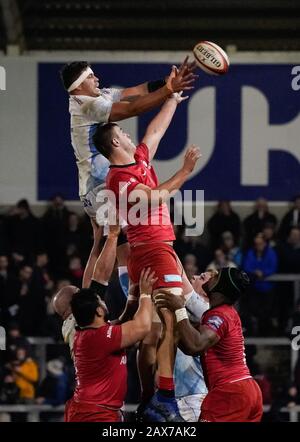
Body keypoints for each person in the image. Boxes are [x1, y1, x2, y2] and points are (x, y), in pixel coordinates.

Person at [93, 92, 203, 421]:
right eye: (123, 133)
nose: (130, 135)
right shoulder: (119, 180)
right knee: (171, 321)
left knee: (153, 333)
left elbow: (155, 132)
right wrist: (184, 171)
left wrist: (172, 97)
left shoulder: (137, 161)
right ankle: (165, 397)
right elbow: (155, 197)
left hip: (151, 253)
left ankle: (146, 399)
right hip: (153, 251)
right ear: (115, 142)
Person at [60, 58, 197, 296]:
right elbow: (131, 109)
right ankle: (97, 305)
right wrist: (168, 91)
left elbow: (137, 92)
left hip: (93, 186)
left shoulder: (96, 96)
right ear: (78, 85)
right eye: (91, 76)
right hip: (100, 186)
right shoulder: (86, 105)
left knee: (108, 244)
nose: (97, 78)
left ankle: (97, 304)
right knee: (115, 244)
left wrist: (167, 84)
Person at [155, 267, 263, 422]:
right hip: (247, 389)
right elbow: (188, 346)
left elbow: (194, 345)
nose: (211, 275)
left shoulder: (219, 315)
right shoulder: (227, 313)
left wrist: (179, 309)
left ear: (220, 287)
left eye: (216, 276)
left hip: (229, 392)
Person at [64, 267, 155, 422]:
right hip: (94, 415)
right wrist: (146, 294)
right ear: (99, 311)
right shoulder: (100, 338)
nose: (104, 301)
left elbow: (121, 324)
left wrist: (133, 298)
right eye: (100, 300)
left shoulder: (89, 334)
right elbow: (143, 326)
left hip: (90, 410)